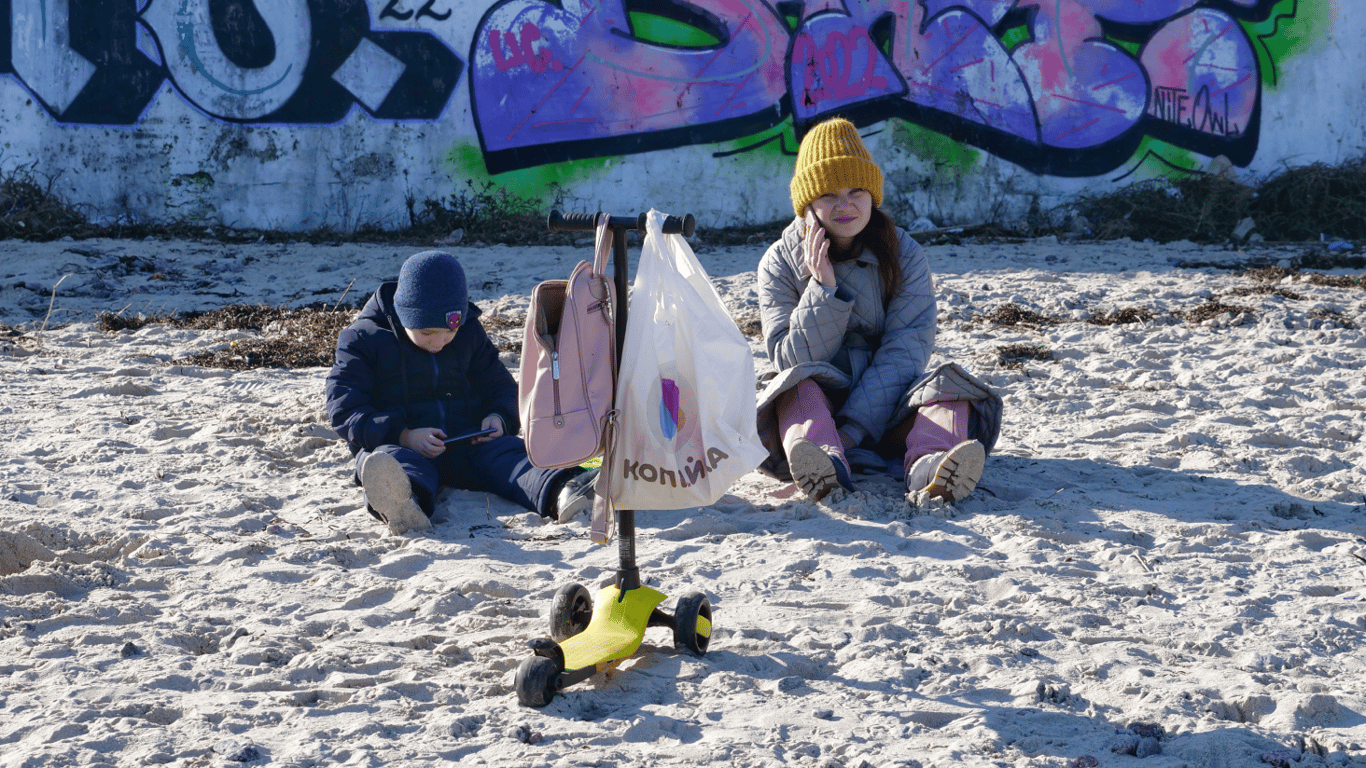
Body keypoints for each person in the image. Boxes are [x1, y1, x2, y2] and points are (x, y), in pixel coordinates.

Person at [755, 117, 1003, 503]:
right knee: (793, 386)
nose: (845, 205)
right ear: (808, 204)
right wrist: (822, 289)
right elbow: (789, 359)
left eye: (856, 190)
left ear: (873, 194)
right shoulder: (779, 262)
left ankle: (931, 466)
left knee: (952, 387)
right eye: (829, 194)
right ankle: (824, 465)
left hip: (888, 407)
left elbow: (906, 348)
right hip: (816, 407)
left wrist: (855, 430)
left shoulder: (904, 253)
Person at [326, 251, 596, 534]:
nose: (439, 342)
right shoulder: (361, 340)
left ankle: (564, 492)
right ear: (406, 315)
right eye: (428, 333)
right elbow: (346, 411)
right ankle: (404, 507)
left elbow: (500, 385)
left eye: (448, 332)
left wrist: (498, 417)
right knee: (390, 464)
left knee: (512, 456)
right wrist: (404, 435)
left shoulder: (468, 331)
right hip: (403, 444)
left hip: (467, 441)